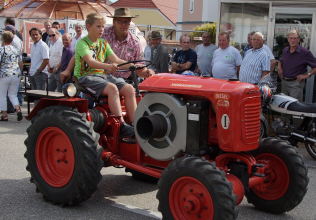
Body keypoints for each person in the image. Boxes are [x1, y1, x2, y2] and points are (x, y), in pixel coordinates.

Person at [75, 13, 143, 137]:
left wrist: (133, 66)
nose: (101, 30)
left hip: (101, 76)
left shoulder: (103, 43)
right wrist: (108, 66)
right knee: (112, 88)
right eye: (98, 26)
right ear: (88, 26)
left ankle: (135, 124)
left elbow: (116, 59)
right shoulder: (82, 43)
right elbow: (91, 62)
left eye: (102, 27)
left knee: (129, 89)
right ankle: (121, 125)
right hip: (86, 77)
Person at [60, 8, 153, 82]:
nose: (123, 25)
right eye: (120, 21)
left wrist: (147, 72)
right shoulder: (102, 34)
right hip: (98, 78)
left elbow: (139, 66)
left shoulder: (135, 43)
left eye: (126, 22)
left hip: (124, 81)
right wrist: (68, 70)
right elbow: (81, 54)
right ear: (114, 22)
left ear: (130, 23)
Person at [278, 30, 316, 101]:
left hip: (296, 84)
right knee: (283, 106)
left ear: (298, 39)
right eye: (291, 38)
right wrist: (280, 68)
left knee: (293, 108)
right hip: (284, 82)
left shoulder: (305, 52)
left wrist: (307, 75)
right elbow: (281, 60)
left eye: (295, 38)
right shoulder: (285, 50)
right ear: (288, 39)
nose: (293, 40)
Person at [0, 31, 23, 121]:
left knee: (2, 95)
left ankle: (4, 115)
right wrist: (20, 73)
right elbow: (20, 63)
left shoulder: (1, 49)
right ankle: (18, 110)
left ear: (3, 39)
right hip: (15, 74)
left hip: (4, 74)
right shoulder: (16, 50)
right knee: (13, 94)